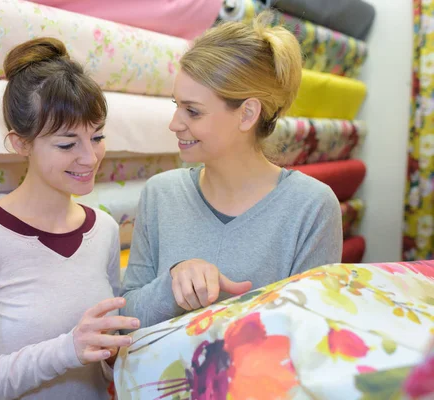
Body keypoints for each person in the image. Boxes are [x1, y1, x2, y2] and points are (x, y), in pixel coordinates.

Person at [0, 37, 139, 400]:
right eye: (67, 144)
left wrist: (114, 355)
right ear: (20, 143)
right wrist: (66, 350)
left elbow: (100, 363)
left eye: (97, 136)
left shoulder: (102, 228)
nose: (89, 158)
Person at [120, 13, 343, 329]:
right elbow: (123, 319)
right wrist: (172, 285)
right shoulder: (161, 193)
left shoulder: (311, 207)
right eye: (176, 105)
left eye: (192, 111)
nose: (174, 124)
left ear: (247, 114)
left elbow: (314, 335)